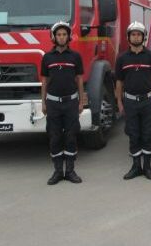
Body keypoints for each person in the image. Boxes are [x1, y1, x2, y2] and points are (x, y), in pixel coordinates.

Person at [115, 21, 151, 180]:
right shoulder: (122, 58)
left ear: (144, 37)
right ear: (128, 37)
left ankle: (147, 167)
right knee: (133, 133)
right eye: (133, 34)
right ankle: (136, 167)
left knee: (148, 133)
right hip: (130, 102)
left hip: (148, 101)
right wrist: (119, 102)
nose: (136, 37)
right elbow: (119, 82)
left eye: (138, 34)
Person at [41, 21, 86, 185]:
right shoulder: (47, 57)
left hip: (71, 103)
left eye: (64, 34)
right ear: (54, 37)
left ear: (68, 37)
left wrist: (81, 101)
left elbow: (79, 79)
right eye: (59, 34)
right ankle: (58, 171)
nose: (61, 37)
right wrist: (43, 102)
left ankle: (71, 171)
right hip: (53, 104)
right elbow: (44, 81)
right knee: (55, 137)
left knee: (71, 136)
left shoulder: (75, 57)